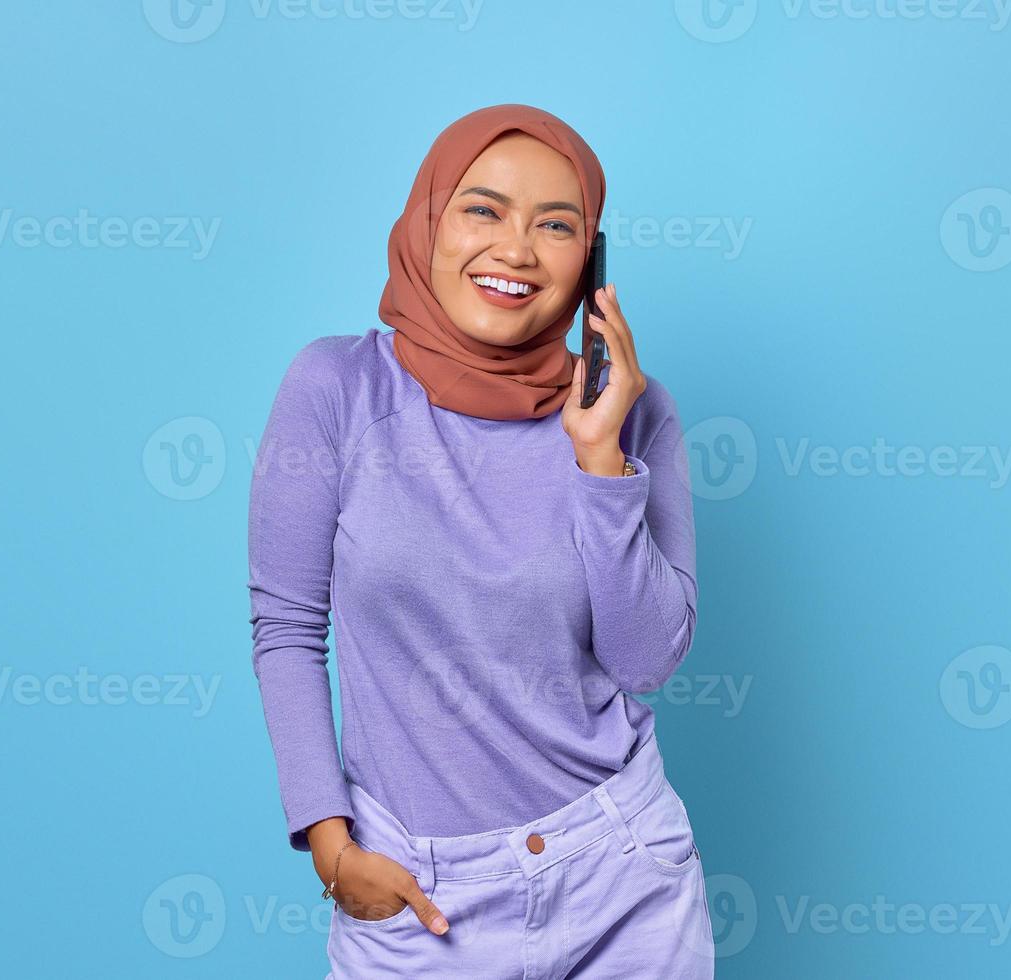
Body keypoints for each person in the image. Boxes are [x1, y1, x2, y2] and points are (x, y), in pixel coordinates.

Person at [247, 102, 712, 978]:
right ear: (428, 221)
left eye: (557, 226)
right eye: (484, 210)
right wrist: (332, 847)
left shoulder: (633, 412)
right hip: (422, 899)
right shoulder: (334, 389)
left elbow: (646, 659)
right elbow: (285, 628)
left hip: (621, 876)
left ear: (591, 262)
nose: (517, 250)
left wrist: (599, 459)